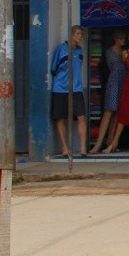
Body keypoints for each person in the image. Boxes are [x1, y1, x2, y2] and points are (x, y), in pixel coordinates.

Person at [50, 25, 88, 157]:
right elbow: (54, 69)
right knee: (60, 118)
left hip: (76, 88)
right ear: (71, 35)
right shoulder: (61, 50)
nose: (80, 37)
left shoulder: (80, 51)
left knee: (81, 117)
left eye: (81, 35)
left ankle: (83, 148)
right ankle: (64, 147)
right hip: (60, 88)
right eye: (77, 34)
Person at [97, 30, 127, 152]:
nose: (123, 41)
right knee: (109, 110)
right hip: (114, 81)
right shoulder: (109, 52)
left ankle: (111, 141)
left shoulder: (125, 52)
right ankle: (99, 143)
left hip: (124, 81)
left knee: (118, 112)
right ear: (116, 39)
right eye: (121, 39)